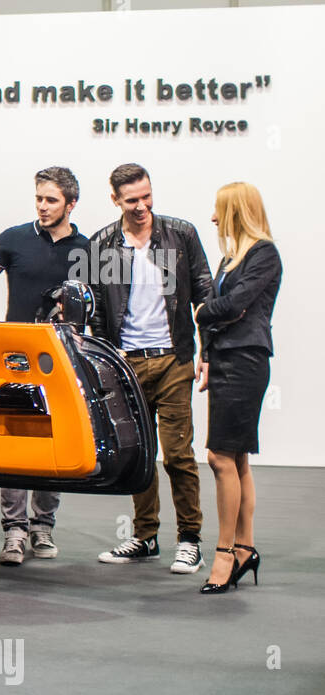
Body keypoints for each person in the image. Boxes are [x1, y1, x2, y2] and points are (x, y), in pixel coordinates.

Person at [0, 166, 90, 566]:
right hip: (16, 357)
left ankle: (42, 527)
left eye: (51, 200)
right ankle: (13, 531)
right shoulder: (14, 238)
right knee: (16, 441)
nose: (43, 206)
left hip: (63, 358)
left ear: (70, 203)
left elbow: (98, 303)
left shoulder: (87, 248)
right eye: (39, 198)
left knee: (53, 440)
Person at [88, 164, 213, 574]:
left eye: (146, 196)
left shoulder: (181, 234)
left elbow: (205, 297)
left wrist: (207, 352)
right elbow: (100, 314)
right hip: (127, 363)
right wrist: (108, 361)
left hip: (174, 358)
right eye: (131, 200)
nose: (141, 206)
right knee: (138, 456)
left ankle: (190, 540)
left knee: (178, 454)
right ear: (115, 200)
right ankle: (145, 537)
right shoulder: (103, 244)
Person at [193, 182, 281, 593]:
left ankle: (225, 552)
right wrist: (207, 355)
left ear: (234, 211)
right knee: (238, 458)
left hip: (246, 361)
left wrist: (203, 311)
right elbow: (217, 314)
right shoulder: (231, 258)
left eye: (218, 209)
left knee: (219, 456)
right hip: (226, 360)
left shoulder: (263, 253)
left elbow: (229, 307)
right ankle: (245, 548)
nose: (213, 217)